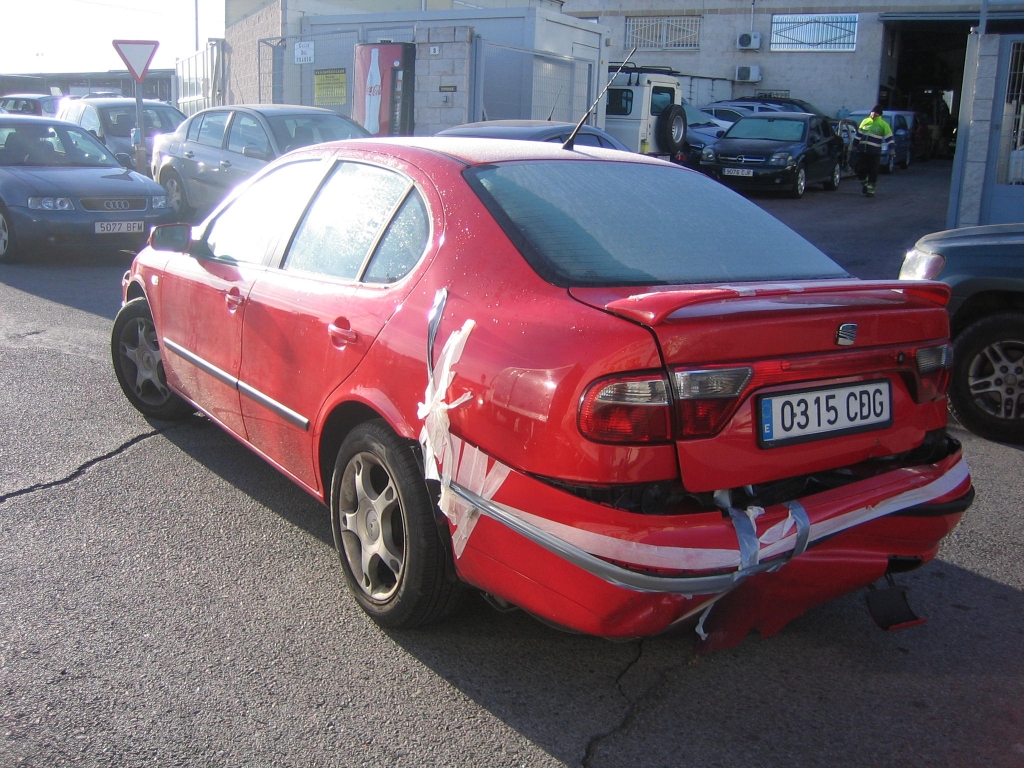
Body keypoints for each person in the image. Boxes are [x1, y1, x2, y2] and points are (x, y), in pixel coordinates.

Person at [855, 105, 893, 197]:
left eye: (875, 112)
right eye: (872, 112)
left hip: (874, 152)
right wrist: (854, 144)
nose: (873, 114)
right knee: (860, 170)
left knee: (873, 171)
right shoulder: (865, 121)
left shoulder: (883, 125)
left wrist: (891, 149)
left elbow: (889, 138)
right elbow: (858, 134)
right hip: (863, 151)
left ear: (879, 114)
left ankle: (870, 191)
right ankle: (865, 184)